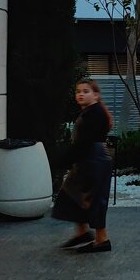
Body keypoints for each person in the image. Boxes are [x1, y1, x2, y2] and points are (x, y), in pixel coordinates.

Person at [52, 79, 114, 253]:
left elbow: (84, 142)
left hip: (93, 161)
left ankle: (102, 240)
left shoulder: (94, 114)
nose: (80, 94)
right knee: (72, 195)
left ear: (96, 95)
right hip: (88, 160)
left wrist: (64, 160)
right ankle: (82, 232)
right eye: (78, 91)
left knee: (93, 199)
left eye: (86, 91)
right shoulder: (89, 112)